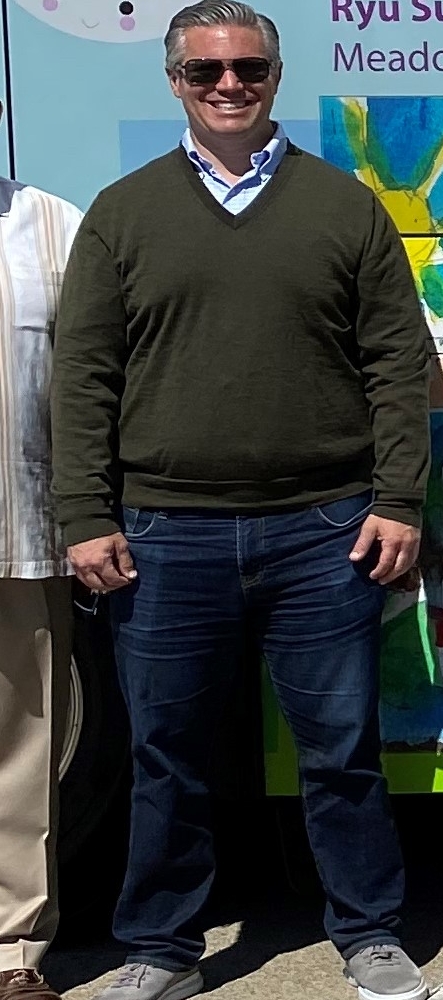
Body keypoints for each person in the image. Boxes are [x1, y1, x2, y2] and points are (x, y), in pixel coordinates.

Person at [48, 3, 434, 999]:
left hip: (325, 530)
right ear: (174, 80)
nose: (229, 85)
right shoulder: (123, 213)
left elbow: (397, 367)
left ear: (275, 74)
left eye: (248, 67)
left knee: (341, 752)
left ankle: (370, 932)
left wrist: (398, 497)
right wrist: (85, 514)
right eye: (206, 70)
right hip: (162, 533)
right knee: (166, 756)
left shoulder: (345, 208)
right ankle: (161, 947)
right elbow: (83, 375)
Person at [0, 135, 84, 1000]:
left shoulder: (54, 225)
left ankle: (10, 953)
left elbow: (96, 380)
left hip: (19, 538)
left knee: (20, 763)